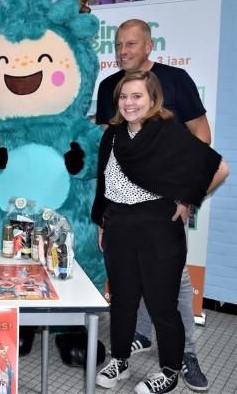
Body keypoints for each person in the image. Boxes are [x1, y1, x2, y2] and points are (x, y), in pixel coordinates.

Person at [91, 71, 229, 394]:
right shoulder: (112, 136)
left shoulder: (169, 134)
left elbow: (220, 169)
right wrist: (103, 222)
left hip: (158, 228)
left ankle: (169, 370)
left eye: (137, 96)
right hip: (118, 225)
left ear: (153, 99)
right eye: (124, 97)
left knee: (162, 304)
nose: (129, 103)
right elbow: (105, 183)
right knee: (122, 300)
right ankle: (120, 360)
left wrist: (187, 199)